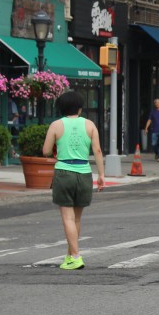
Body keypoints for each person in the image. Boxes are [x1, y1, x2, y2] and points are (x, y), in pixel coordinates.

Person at [42, 91, 106, 270]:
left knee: (67, 218)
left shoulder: (56, 125)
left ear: (61, 108)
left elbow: (46, 151)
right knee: (76, 219)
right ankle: (70, 256)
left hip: (64, 172)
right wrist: (101, 175)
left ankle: (76, 257)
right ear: (79, 108)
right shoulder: (90, 125)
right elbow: (98, 151)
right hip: (84, 172)